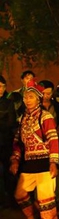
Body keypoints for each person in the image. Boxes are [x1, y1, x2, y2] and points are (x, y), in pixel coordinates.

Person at [10, 80, 59, 219]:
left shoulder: (45, 117)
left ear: (38, 99)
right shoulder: (22, 119)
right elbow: (18, 142)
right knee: (19, 194)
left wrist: (53, 162)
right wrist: (15, 160)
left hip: (44, 164)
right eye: (25, 97)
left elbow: (53, 139)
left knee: (46, 202)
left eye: (31, 97)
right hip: (28, 165)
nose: (27, 100)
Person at [0, 75, 17, 206]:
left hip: (5, 141)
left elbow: (11, 123)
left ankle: (10, 197)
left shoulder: (8, 102)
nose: (1, 89)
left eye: (3, 86)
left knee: (8, 171)